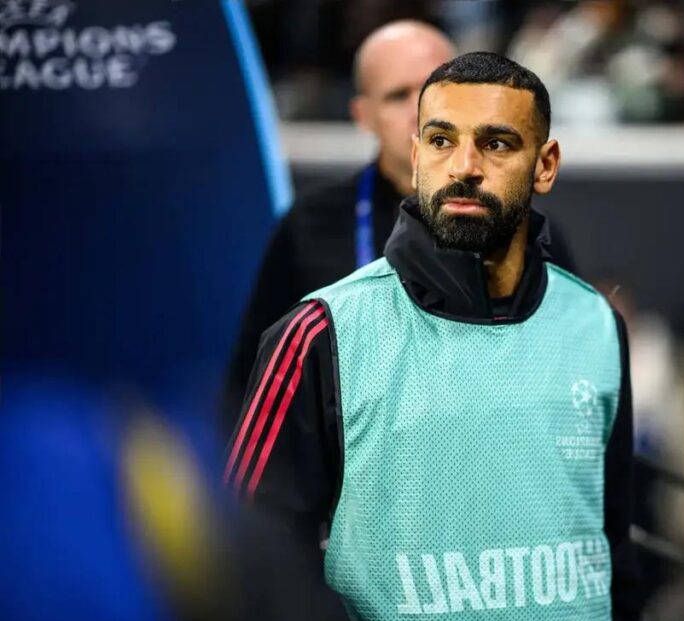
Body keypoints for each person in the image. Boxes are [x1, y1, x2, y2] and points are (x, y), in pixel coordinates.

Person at [224, 51, 653, 621]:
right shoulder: (321, 333)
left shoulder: (594, 322)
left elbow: (614, 553)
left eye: (497, 143)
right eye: (441, 140)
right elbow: (244, 576)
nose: (465, 166)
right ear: (417, 154)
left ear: (546, 165)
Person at [223, 21, 576, 433]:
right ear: (363, 115)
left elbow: (568, 372)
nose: (419, 111)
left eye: (432, 88)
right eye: (398, 96)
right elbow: (252, 389)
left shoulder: (520, 228)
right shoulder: (310, 226)